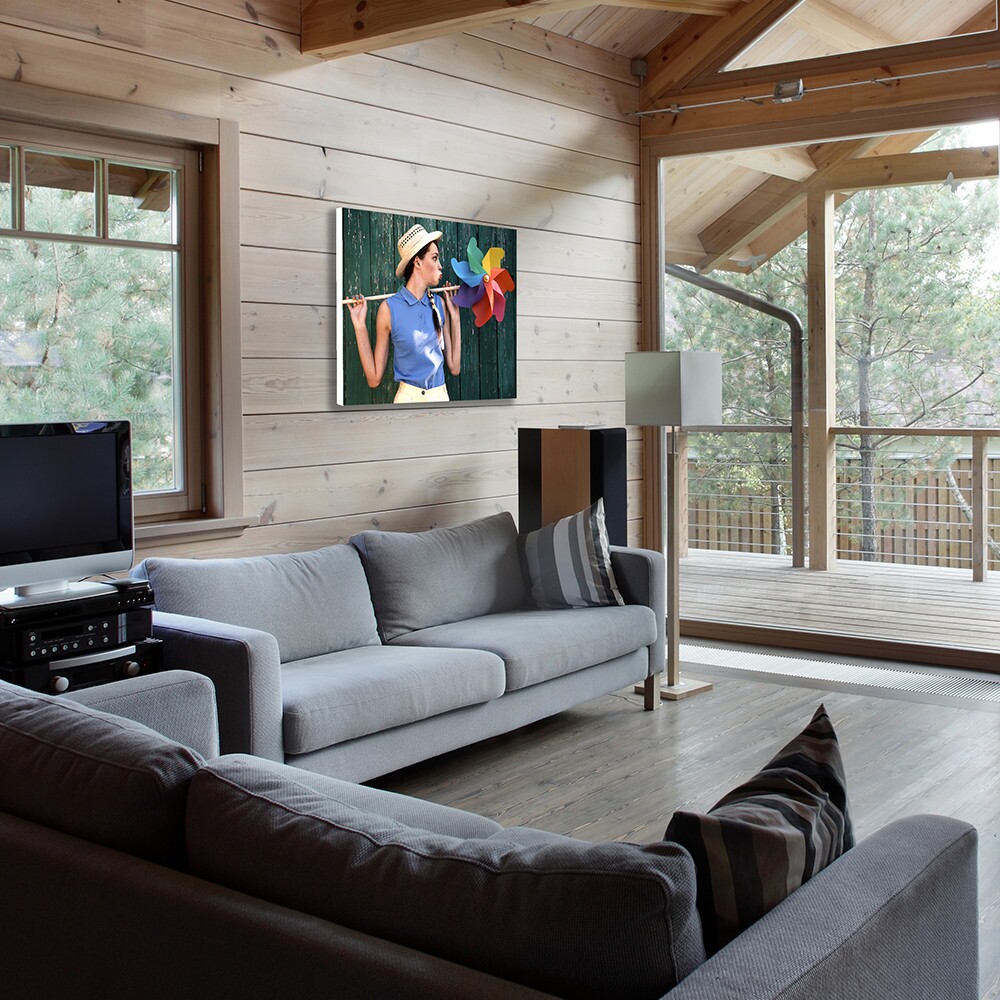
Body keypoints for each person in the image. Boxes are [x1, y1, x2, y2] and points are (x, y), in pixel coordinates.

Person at [348, 224, 461, 404]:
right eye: (434, 258)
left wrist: (455, 318)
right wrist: (359, 325)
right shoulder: (388, 309)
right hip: (407, 401)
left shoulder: (439, 303)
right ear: (417, 262)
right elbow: (374, 379)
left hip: (440, 398)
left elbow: (454, 367)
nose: (440, 266)